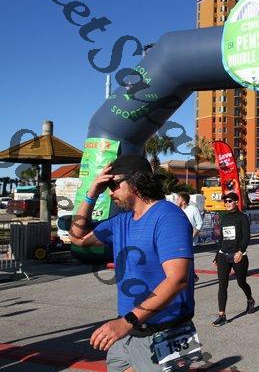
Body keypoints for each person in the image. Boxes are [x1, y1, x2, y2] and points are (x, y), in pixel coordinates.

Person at [68, 154, 196, 372]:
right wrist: (91, 194)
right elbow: (76, 237)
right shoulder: (121, 221)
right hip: (128, 332)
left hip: (165, 332)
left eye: (113, 185)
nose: (110, 192)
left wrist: (126, 322)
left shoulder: (168, 216)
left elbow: (177, 279)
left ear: (135, 182)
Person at [212, 192, 254, 327]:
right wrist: (216, 256)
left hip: (238, 255)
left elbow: (246, 236)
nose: (227, 203)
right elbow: (221, 238)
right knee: (222, 285)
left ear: (236, 202)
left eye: (229, 201)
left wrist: (240, 252)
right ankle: (222, 315)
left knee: (241, 282)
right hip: (223, 255)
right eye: (225, 201)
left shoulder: (242, 217)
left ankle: (250, 299)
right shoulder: (224, 218)